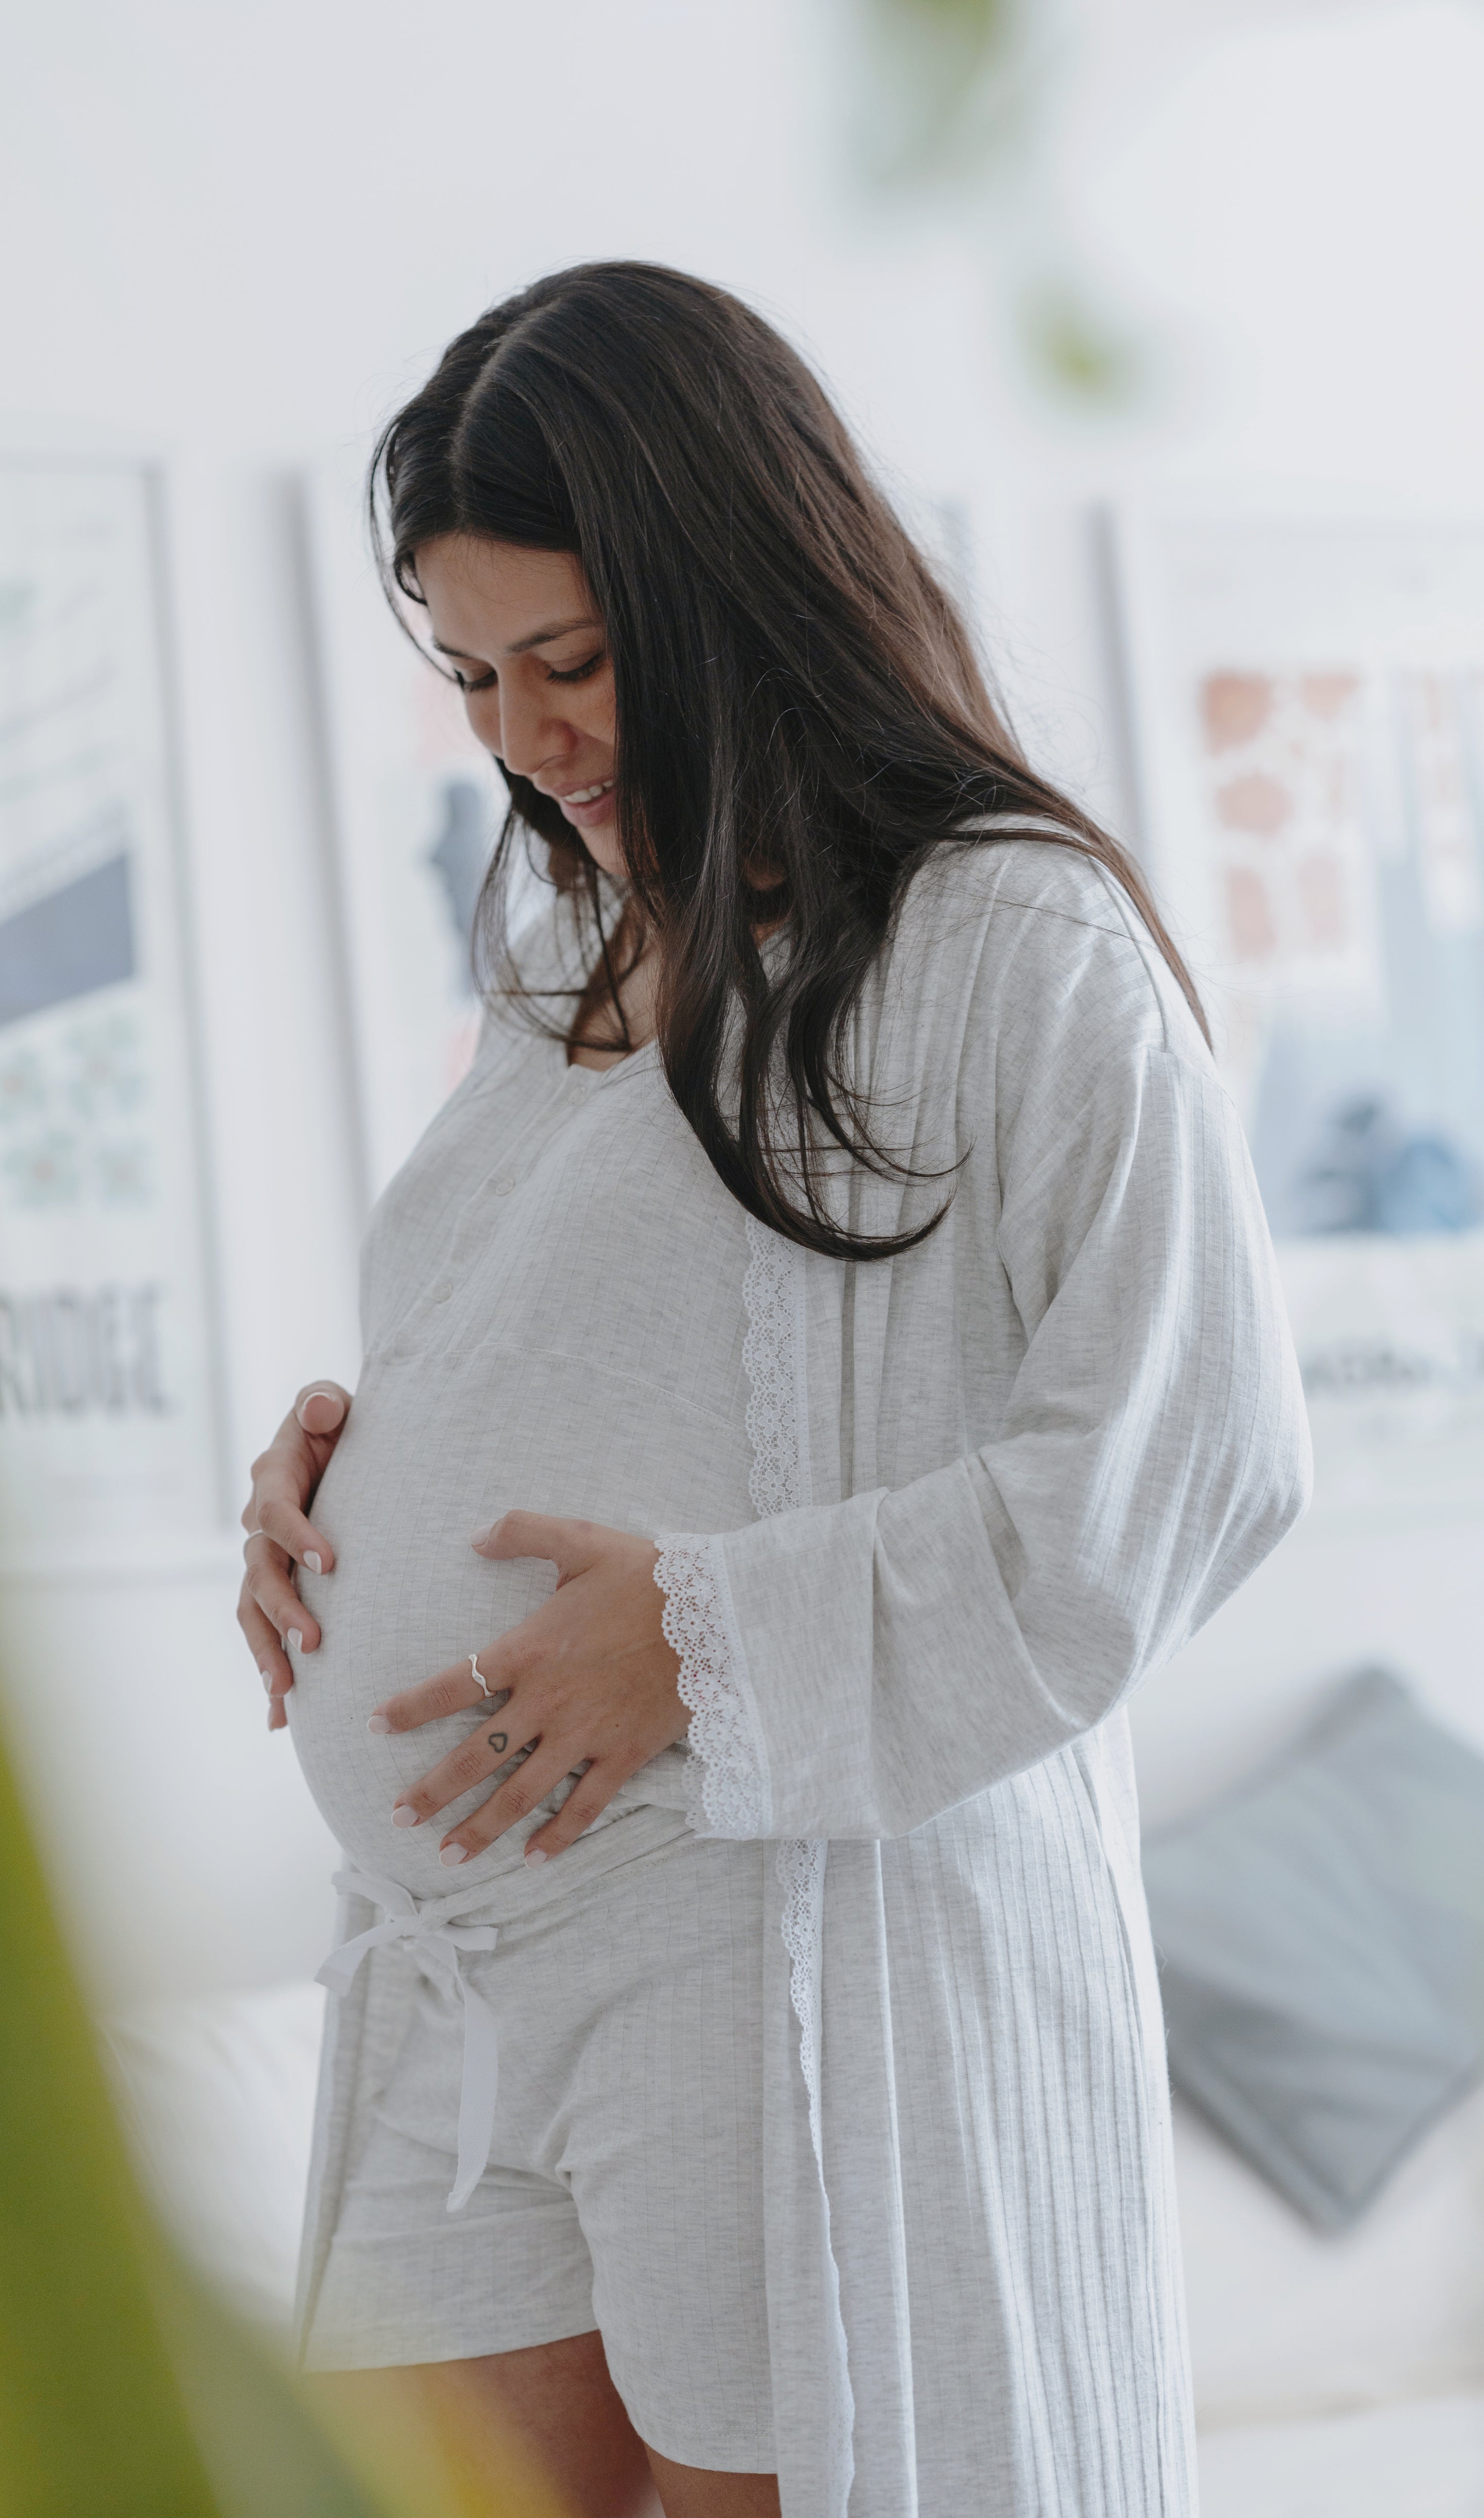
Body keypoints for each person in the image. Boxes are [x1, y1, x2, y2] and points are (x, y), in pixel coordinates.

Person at [236, 262, 1310, 2518]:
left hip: (767, 1938)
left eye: (573, 660)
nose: (522, 733)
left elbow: (1188, 1455)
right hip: (462, 1962)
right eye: (471, 677)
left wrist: (711, 1639)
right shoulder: (569, 957)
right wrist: (336, 1477)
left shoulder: (1011, 944)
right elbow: (546, 1340)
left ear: (733, 579)